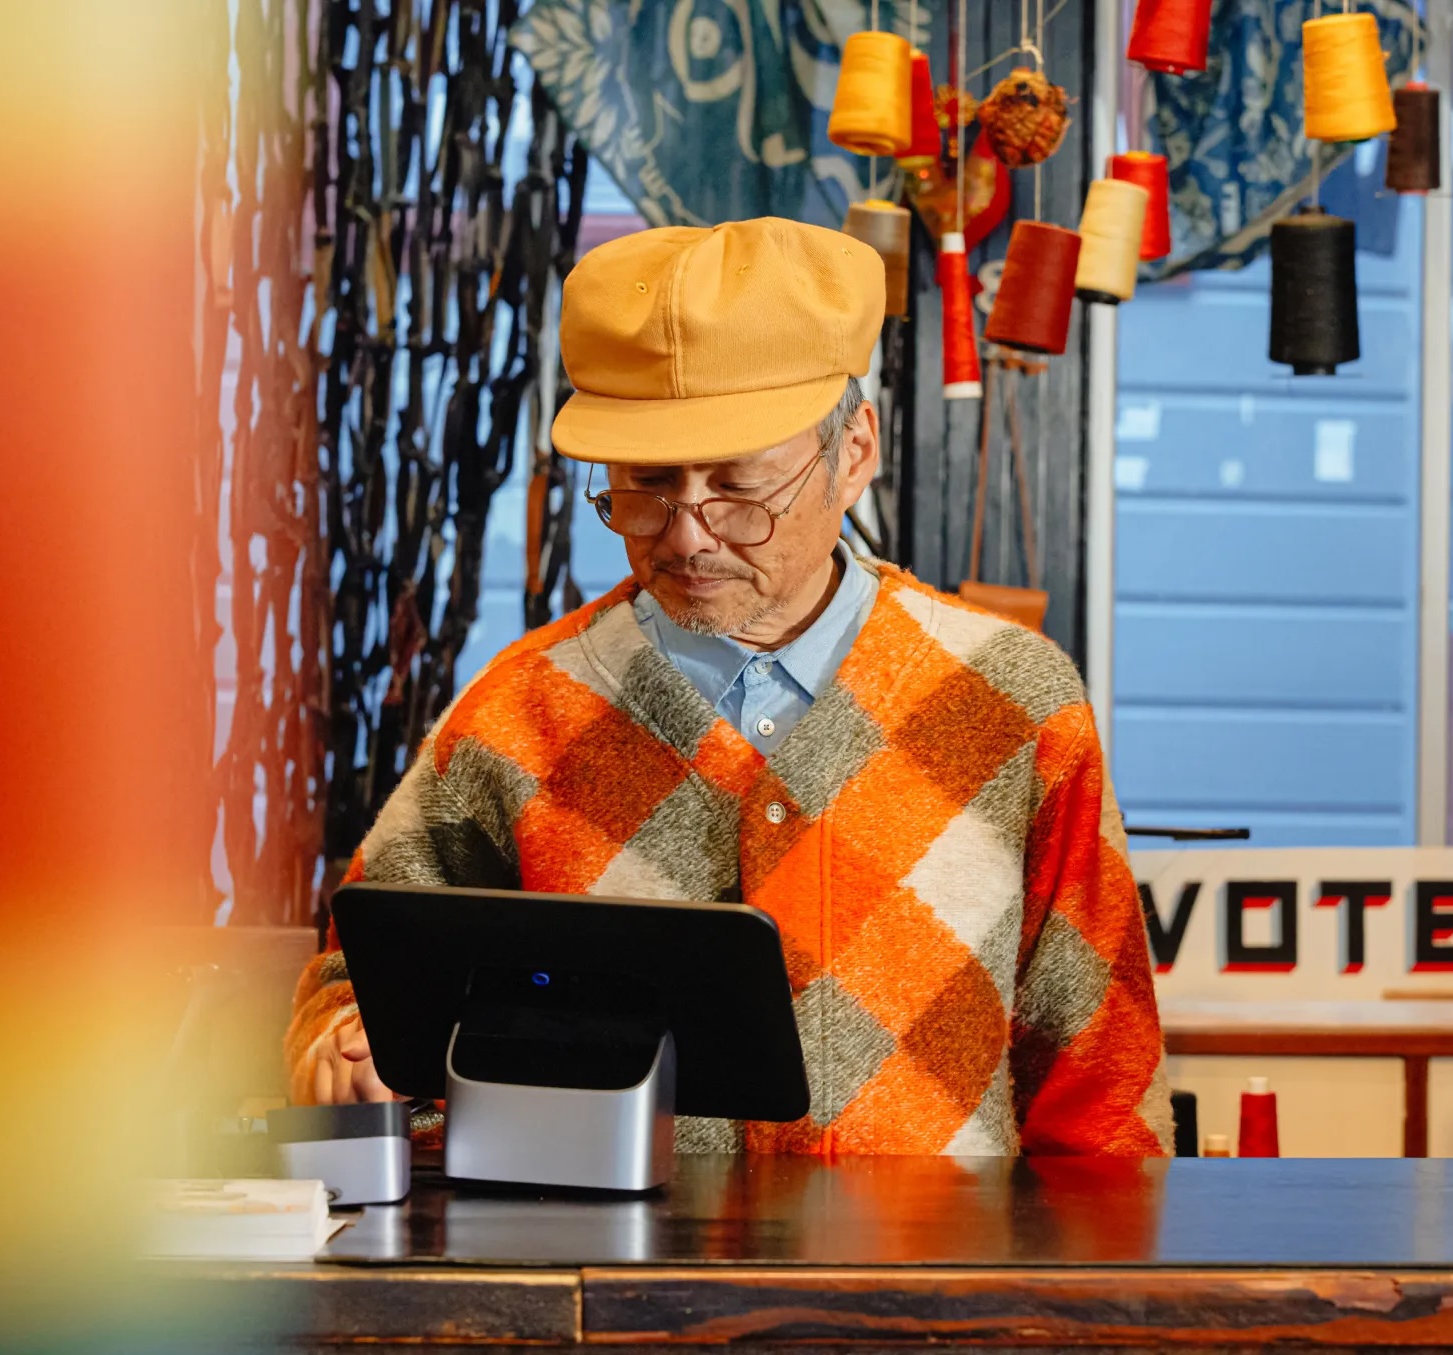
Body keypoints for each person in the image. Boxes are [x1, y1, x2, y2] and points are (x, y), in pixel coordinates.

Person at [286, 217, 1171, 1156]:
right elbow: (360, 983)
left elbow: (1103, 1082)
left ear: (854, 452)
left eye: (740, 485)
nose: (687, 535)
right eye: (647, 484)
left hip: (932, 1296)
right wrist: (343, 1056)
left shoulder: (1011, 700)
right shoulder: (522, 713)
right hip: (610, 1291)